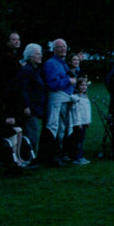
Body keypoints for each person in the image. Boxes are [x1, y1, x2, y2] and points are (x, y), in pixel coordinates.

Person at [42, 38, 77, 166]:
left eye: (64, 47)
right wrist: (68, 81)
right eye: (60, 47)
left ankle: (59, 154)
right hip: (56, 99)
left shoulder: (62, 63)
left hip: (64, 98)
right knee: (53, 127)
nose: (63, 49)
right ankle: (51, 157)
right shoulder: (51, 63)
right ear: (54, 49)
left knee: (62, 128)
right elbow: (52, 84)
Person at [16, 43, 46, 160]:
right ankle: (28, 158)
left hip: (35, 107)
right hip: (30, 108)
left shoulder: (35, 70)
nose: (40, 56)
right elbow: (23, 89)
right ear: (30, 56)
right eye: (37, 54)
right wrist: (26, 106)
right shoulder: (27, 71)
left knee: (33, 132)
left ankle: (30, 157)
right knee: (31, 133)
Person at [67, 77, 91, 165]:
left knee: (81, 140)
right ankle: (77, 157)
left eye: (85, 85)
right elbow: (76, 112)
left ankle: (80, 156)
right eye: (82, 85)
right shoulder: (75, 98)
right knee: (77, 141)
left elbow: (87, 111)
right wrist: (79, 123)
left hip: (84, 122)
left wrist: (88, 121)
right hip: (78, 123)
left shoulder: (86, 97)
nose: (84, 87)